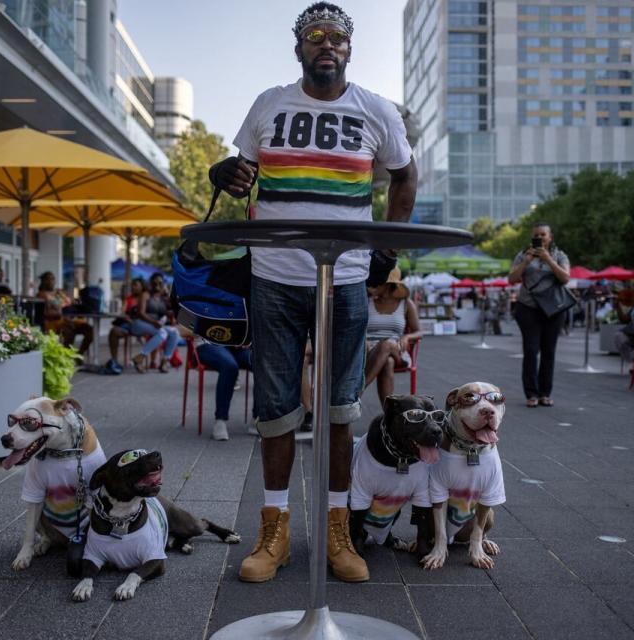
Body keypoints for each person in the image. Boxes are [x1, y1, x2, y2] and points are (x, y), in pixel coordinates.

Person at [209, 2, 417, 584]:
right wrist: (222, 174)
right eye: (314, 36)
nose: (326, 44)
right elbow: (241, 173)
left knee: (340, 408)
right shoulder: (268, 103)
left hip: (346, 279)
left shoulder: (376, 110)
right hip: (274, 275)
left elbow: (405, 174)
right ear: (298, 47)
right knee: (276, 410)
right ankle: (272, 533)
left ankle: (336, 533)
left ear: (350, 49)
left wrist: (389, 249)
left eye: (337, 38)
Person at [507, 223, 571, 407]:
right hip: (528, 308)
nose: (540, 238)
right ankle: (531, 394)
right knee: (531, 350)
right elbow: (511, 278)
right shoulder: (523, 254)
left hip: (553, 309)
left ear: (550, 237)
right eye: (536, 235)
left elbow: (566, 278)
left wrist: (549, 260)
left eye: (543, 234)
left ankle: (545, 393)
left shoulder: (559, 255)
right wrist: (526, 262)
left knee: (549, 352)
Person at [363, 267, 421, 405]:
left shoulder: (406, 303)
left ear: (389, 284)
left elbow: (419, 331)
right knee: (388, 362)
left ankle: (357, 391)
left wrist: (407, 337)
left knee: (388, 344)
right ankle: (390, 417)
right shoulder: (366, 302)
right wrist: (363, 340)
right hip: (369, 350)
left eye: (378, 281)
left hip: (397, 350)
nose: (373, 284)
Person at [192, 335, 254, 441]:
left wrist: (248, 340)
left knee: (261, 362)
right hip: (208, 343)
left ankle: (259, 418)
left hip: (237, 345)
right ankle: (220, 420)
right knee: (230, 366)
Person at [130, 273, 180, 374]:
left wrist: (167, 295)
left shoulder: (162, 297)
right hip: (139, 324)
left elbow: (170, 310)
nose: (157, 285)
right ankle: (140, 357)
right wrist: (154, 322)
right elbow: (140, 313)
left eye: (160, 283)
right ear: (150, 284)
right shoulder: (146, 295)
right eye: (154, 283)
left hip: (154, 326)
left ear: (163, 284)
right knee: (162, 333)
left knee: (174, 332)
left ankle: (165, 361)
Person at [37, 271, 93, 356]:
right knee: (69, 330)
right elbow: (56, 307)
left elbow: (68, 301)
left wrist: (62, 298)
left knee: (89, 329)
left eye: (53, 279)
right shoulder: (42, 294)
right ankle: (66, 356)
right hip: (52, 322)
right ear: (43, 281)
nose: (51, 281)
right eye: (48, 279)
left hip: (66, 318)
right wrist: (62, 302)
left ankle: (79, 355)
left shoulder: (57, 292)